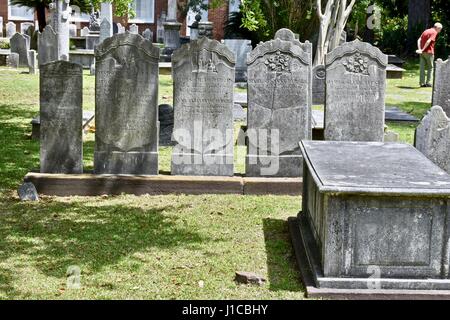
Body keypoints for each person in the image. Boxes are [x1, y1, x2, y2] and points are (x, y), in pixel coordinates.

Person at [417, 23, 443, 87]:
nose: (440, 31)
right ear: (437, 28)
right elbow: (428, 41)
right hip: (429, 52)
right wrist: (423, 49)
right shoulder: (434, 32)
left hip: (422, 53)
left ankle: (422, 83)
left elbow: (419, 40)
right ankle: (428, 82)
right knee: (430, 68)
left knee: (422, 68)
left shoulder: (426, 31)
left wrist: (420, 49)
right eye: (440, 29)